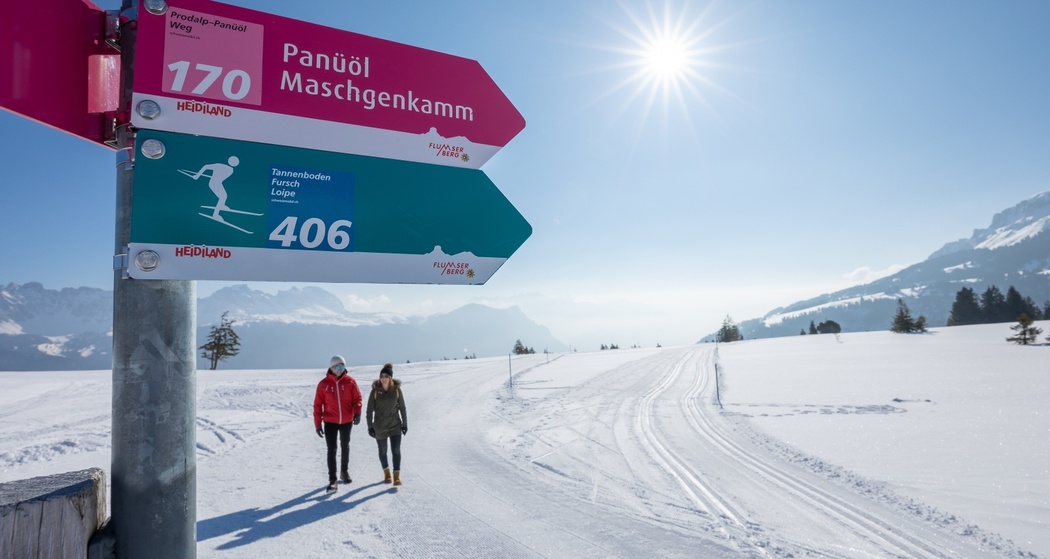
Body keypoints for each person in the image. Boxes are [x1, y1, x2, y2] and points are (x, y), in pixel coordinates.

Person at [313, 355, 362, 492]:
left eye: (342, 366)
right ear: (331, 367)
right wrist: (317, 424)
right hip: (330, 422)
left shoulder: (350, 381)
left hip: (346, 420)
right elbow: (317, 405)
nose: (340, 370)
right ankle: (333, 480)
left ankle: (344, 472)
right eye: (337, 367)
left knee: (345, 446)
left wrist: (357, 413)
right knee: (332, 449)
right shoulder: (323, 384)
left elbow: (357, 398)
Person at [366, 362, 407, 486]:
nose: (383, 378)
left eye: (386, 376)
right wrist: (370, 427)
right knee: (383, 451)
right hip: (380, 427)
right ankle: (387, 474)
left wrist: (404, 424)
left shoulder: (397, 390)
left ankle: (396, 476)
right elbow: (369, 411)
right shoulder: (375, 391)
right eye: (381, 376)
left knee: (396, 451)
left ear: (390, 378)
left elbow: (402, 408)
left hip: (395, 425)